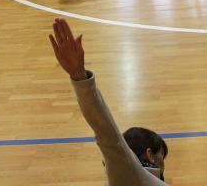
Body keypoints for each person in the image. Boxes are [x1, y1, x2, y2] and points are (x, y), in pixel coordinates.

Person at [48, 18, 169, 185]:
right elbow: (107, 135)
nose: (164, 164)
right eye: (162, 156)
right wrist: (80, 77)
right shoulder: (133, 175)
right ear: (150, 155)